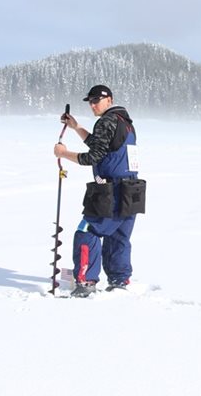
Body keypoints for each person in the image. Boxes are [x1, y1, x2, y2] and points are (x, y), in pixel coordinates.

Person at [54, 85, 140, 297]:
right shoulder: (125, 122)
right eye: (90, 101)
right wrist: (76, 127)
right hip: (132, 190)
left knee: (87, 231)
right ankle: (119, 280)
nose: (92, 105)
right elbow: (100, 145)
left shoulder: (105, 121)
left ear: (109, 100)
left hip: (111, 191)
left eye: (96, 100)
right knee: (118, 235)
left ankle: (86, 282)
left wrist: (64, 154)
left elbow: (93, 157)